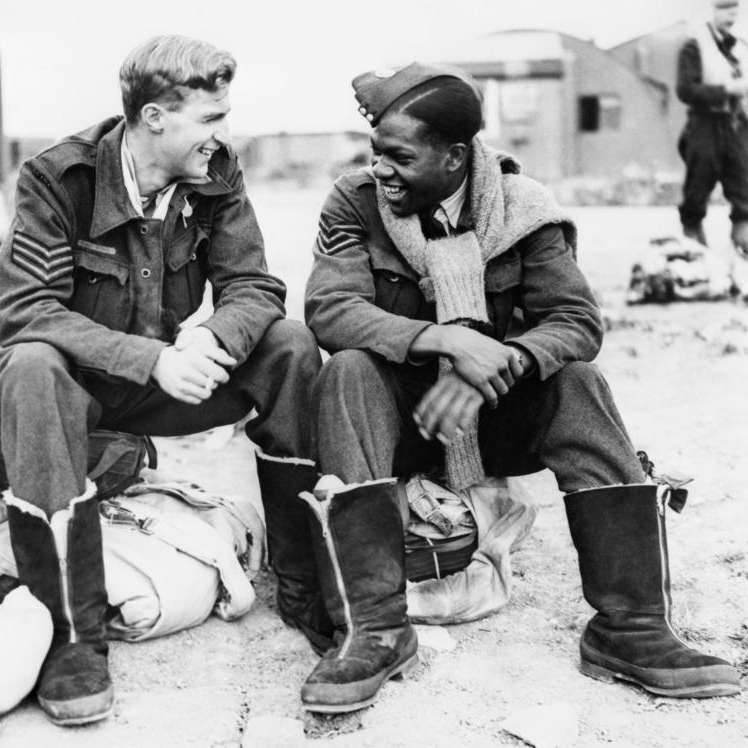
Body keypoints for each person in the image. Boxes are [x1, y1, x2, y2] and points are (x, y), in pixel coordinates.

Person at [298, 62, 743, 713]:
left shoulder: (523, 207)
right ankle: (373, 629)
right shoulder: (355, 201)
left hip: (495, 419)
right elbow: (330, 309)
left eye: (398, 156)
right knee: (348, 372)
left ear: (454, 158)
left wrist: (491, 368)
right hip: (403, 422)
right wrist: (446, 341)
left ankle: (632, 626)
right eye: (375, 154)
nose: (380, 170)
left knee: (578, 381)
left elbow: (577, 323)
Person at [0, 35, 321, 726]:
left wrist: (215, 335)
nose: (223, 136)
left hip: (161, 382)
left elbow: (253, 284)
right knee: (33, 362)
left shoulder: (216, 171)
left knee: (288, 345)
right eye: (211, 119)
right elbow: (23, 310)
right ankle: (72, 635)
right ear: (155, 117)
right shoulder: (58, 176)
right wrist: (152, 358)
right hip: (67, 386)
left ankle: (306, 582)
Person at [677, 0, 748, 252]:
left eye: (735, 10)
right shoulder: (694, 47)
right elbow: (685, 90)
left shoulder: (742, 47)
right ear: (713, 10)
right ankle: (693, 240)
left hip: (737, 123)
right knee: (699, 181)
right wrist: (727, 90)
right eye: (725, 9)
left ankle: (743, 241)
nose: (731, 15)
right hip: (705, 123)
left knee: (743, 182)